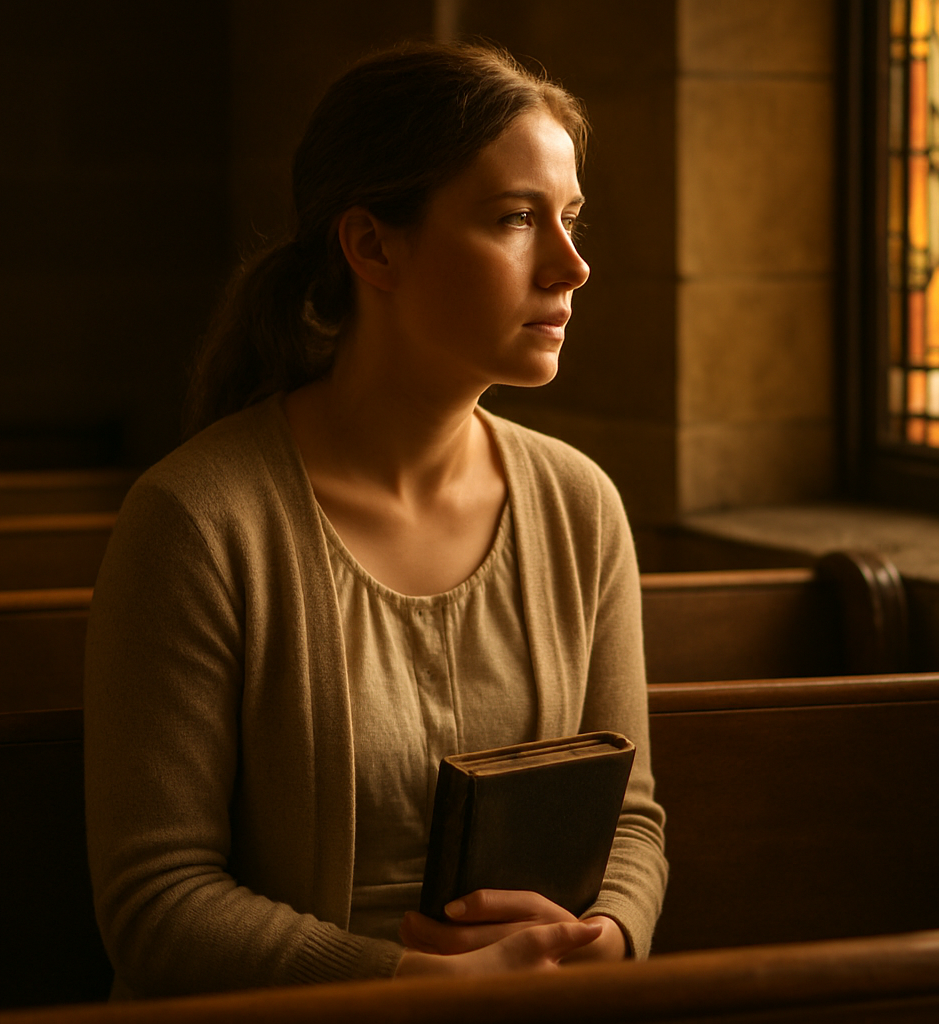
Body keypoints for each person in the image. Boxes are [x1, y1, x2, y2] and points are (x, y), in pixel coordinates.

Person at [83, 41, 667, 998]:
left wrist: (608, 937)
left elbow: (630, 819)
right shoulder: (198, 519)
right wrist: (407, 986)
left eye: (569, 218)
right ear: (372, 246)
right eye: (516, 219)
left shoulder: (580, 505)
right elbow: (158, 901)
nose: (573, 265)